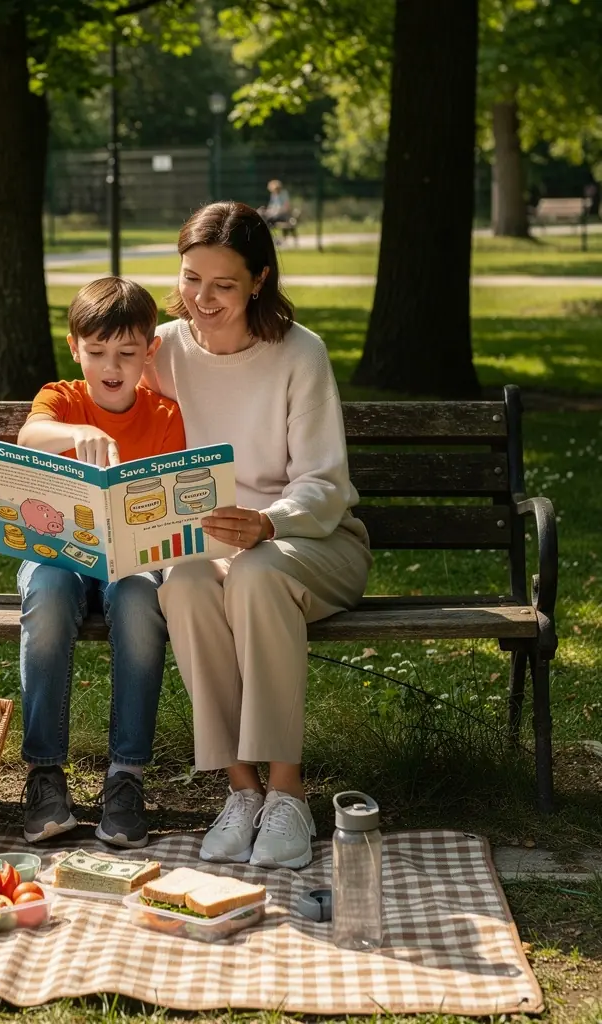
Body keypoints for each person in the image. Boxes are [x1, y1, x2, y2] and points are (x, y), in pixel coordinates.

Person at [142, 201, 371, 870]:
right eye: (190, 279)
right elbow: (93, 400)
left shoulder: (299, 353)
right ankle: (240, 791)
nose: (201, 300)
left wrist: (268, 523)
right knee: (181, 581)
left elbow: (326, 485)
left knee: (258, 571)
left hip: (315, 543)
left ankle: (288, 794)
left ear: (259, 281)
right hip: (212, 549)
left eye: (223, 285)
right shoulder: (163, 350)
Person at [0, 277, 186, 848]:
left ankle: (126, 778)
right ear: (75, 348)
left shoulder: (166, 415)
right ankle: (44, 774)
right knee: (45, 595)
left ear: (151, 350)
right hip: (60, 559)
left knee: (142, 599)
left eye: (126, 353)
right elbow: (29, 436)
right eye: (96, 353)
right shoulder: (61, 399)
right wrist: (78, 432)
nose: (111, 366)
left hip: (131, 561)